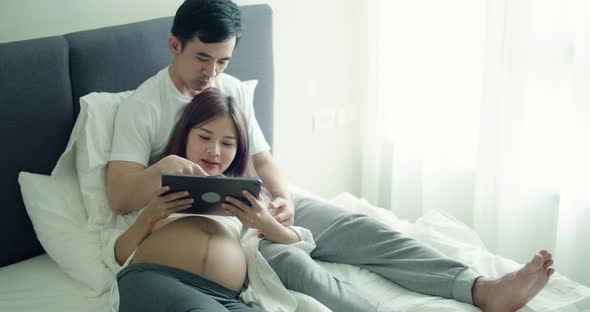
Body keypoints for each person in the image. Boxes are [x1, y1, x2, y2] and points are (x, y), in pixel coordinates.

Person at [106, 0, 555, 311]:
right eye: (204, 58)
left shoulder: (231, 90)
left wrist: (282, 200)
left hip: (252, 204)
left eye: (223, 61)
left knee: (361, 229)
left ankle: (478, 289)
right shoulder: (143, 106)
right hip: (215, 225)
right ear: (175, 46)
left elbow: (261, 159)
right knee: (295, 263)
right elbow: (119, 196)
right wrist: (165, 170)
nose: (213, 73)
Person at [114, 88, 301, 312]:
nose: (214, 151)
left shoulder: (246, 194)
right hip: (159, 279)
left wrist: (264, 222)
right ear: (186, 136)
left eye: (228, 144)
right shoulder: (161, 185)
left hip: (225, 296)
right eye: (204, 137)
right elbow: (120, 254)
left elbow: (293, 241)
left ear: (238, 150)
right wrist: (150, 215)